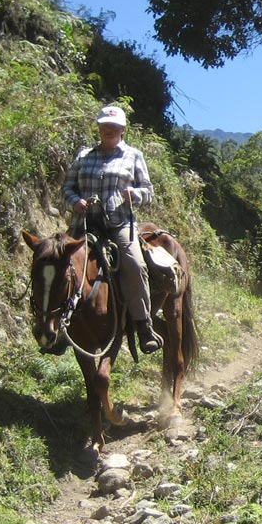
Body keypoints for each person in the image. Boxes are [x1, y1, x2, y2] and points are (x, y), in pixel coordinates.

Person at [62, 104, 162, 354]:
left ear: (122, 129)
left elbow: (148, 191)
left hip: (119, 224)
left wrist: (135, 195)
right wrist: (75, 201)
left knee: (134, 264)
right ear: (98, 127)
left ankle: (143, 325)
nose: (108, 129)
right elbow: (67, 187)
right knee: (56, 262)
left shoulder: (133, 155)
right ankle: (56, 328)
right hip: (84, 224)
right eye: (104, 125)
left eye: (113, 126)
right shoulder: (84, 155)